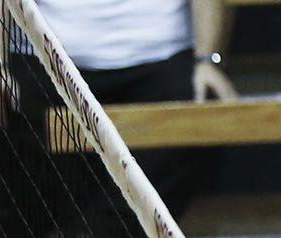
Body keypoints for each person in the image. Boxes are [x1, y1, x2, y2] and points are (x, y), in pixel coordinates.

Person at [25, 0, 239, 221]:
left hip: (164, 55)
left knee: (203, 105)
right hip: (49, 57)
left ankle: (111, 235)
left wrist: (208, 61)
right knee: (11, 109)